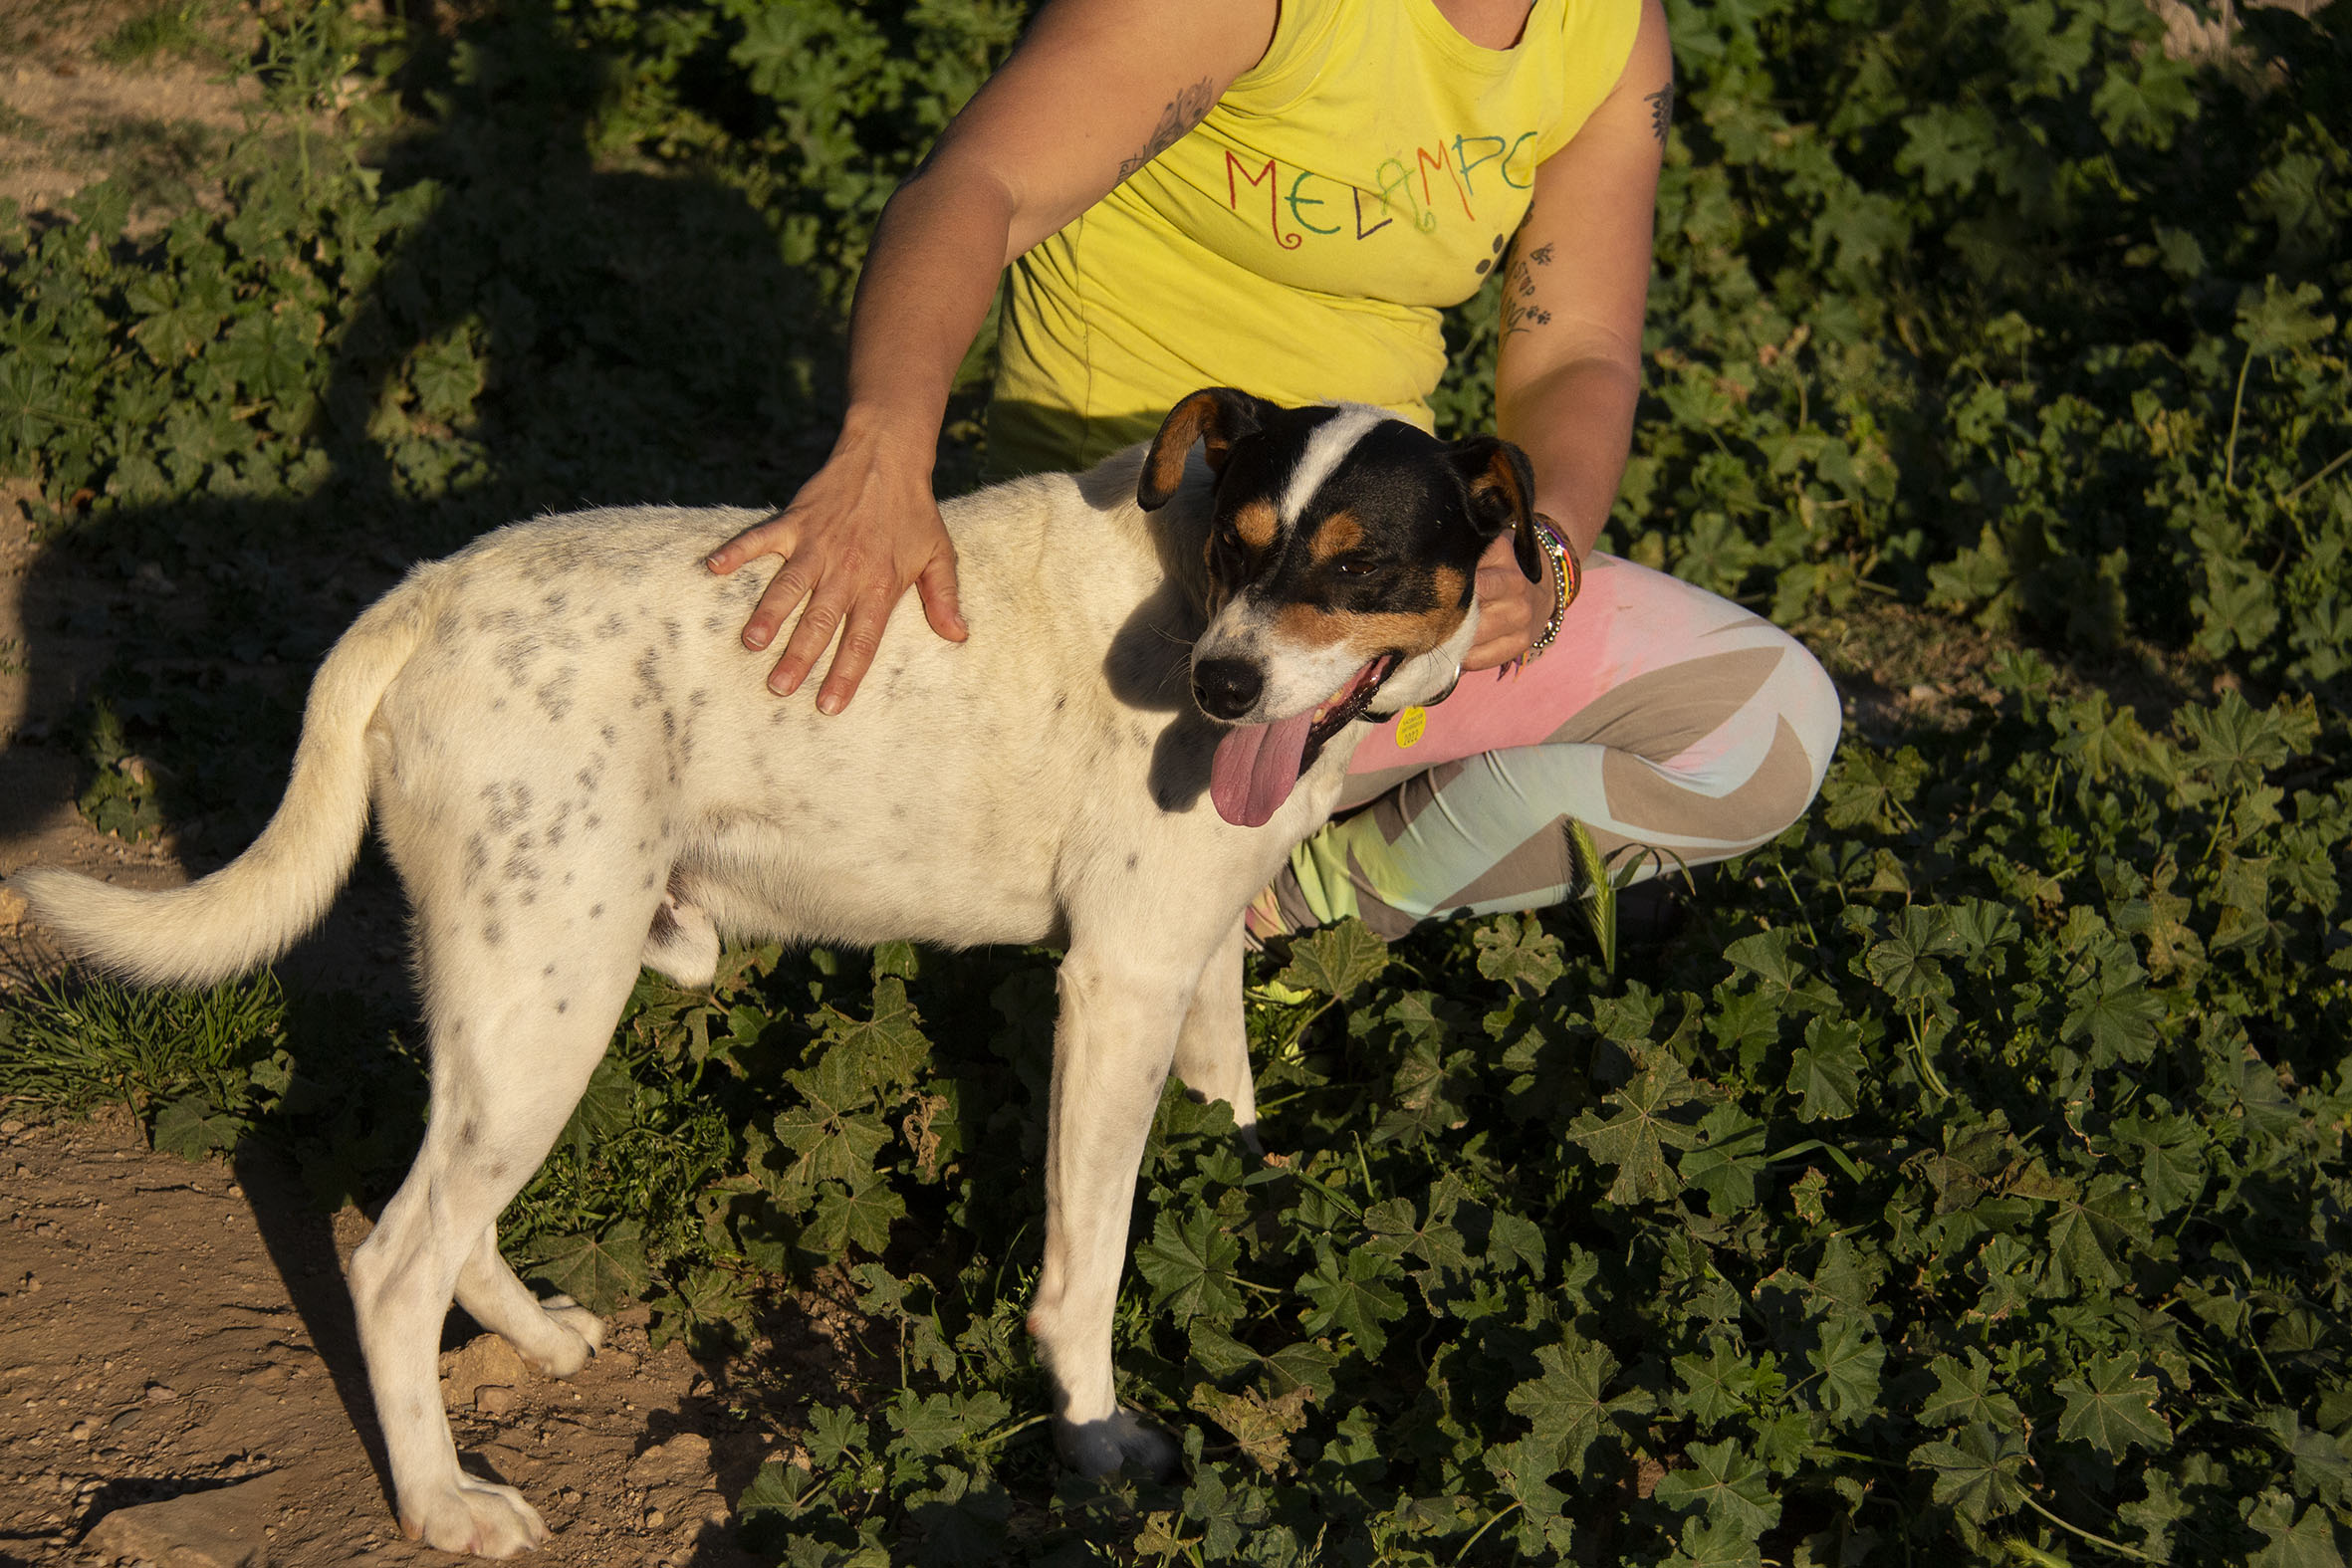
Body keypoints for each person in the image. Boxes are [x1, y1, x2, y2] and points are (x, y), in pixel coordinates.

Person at [706, 0, 1841, 942]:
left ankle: (1276, 914)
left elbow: (1579, 346)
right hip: (1133, 563)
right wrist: (883, 453)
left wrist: (1543, 552)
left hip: (1370, 570)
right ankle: (1156, 882)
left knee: (1762, 729)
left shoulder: (1606, 27)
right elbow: (973, 187)